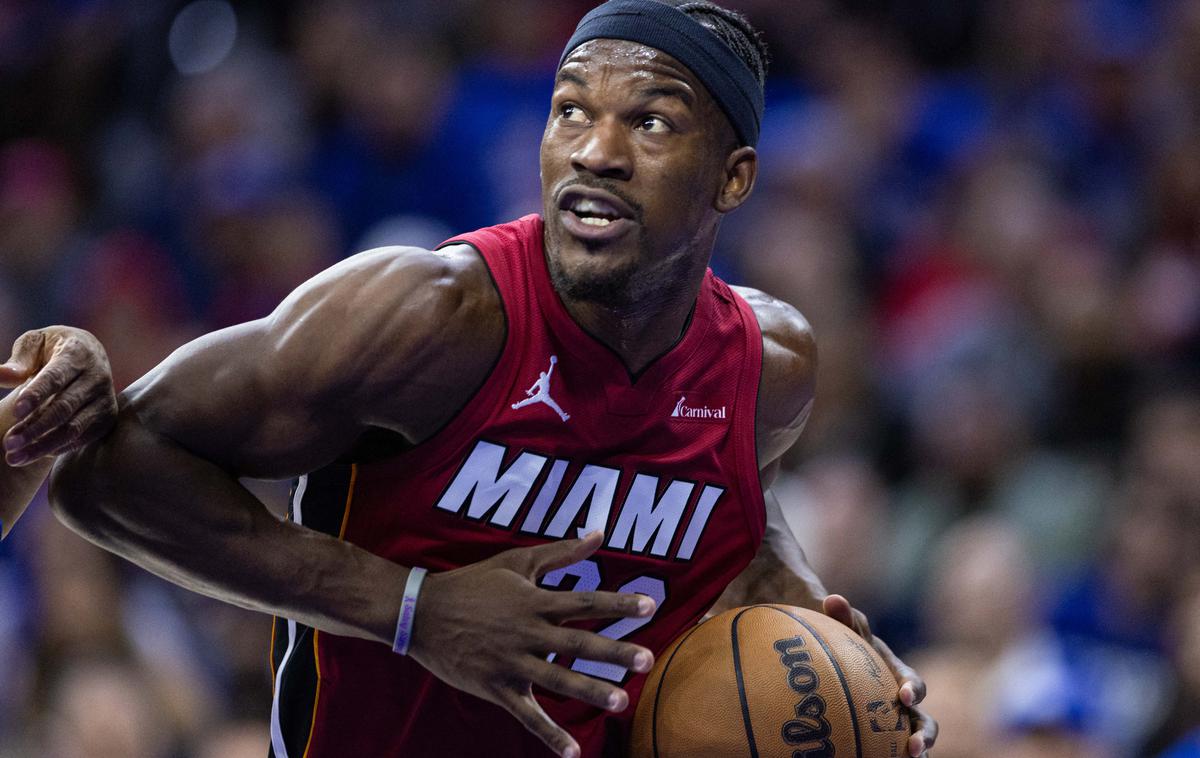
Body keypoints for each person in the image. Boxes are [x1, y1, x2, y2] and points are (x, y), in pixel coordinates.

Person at [47, 1, 937, 756]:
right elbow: (106, 473)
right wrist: (414, 610)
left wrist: (804, 613)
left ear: (733, 179)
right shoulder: (424, 317)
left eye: (651, 121)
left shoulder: (768, 366)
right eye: (570, 111)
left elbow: (738, 495)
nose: (596, 151)